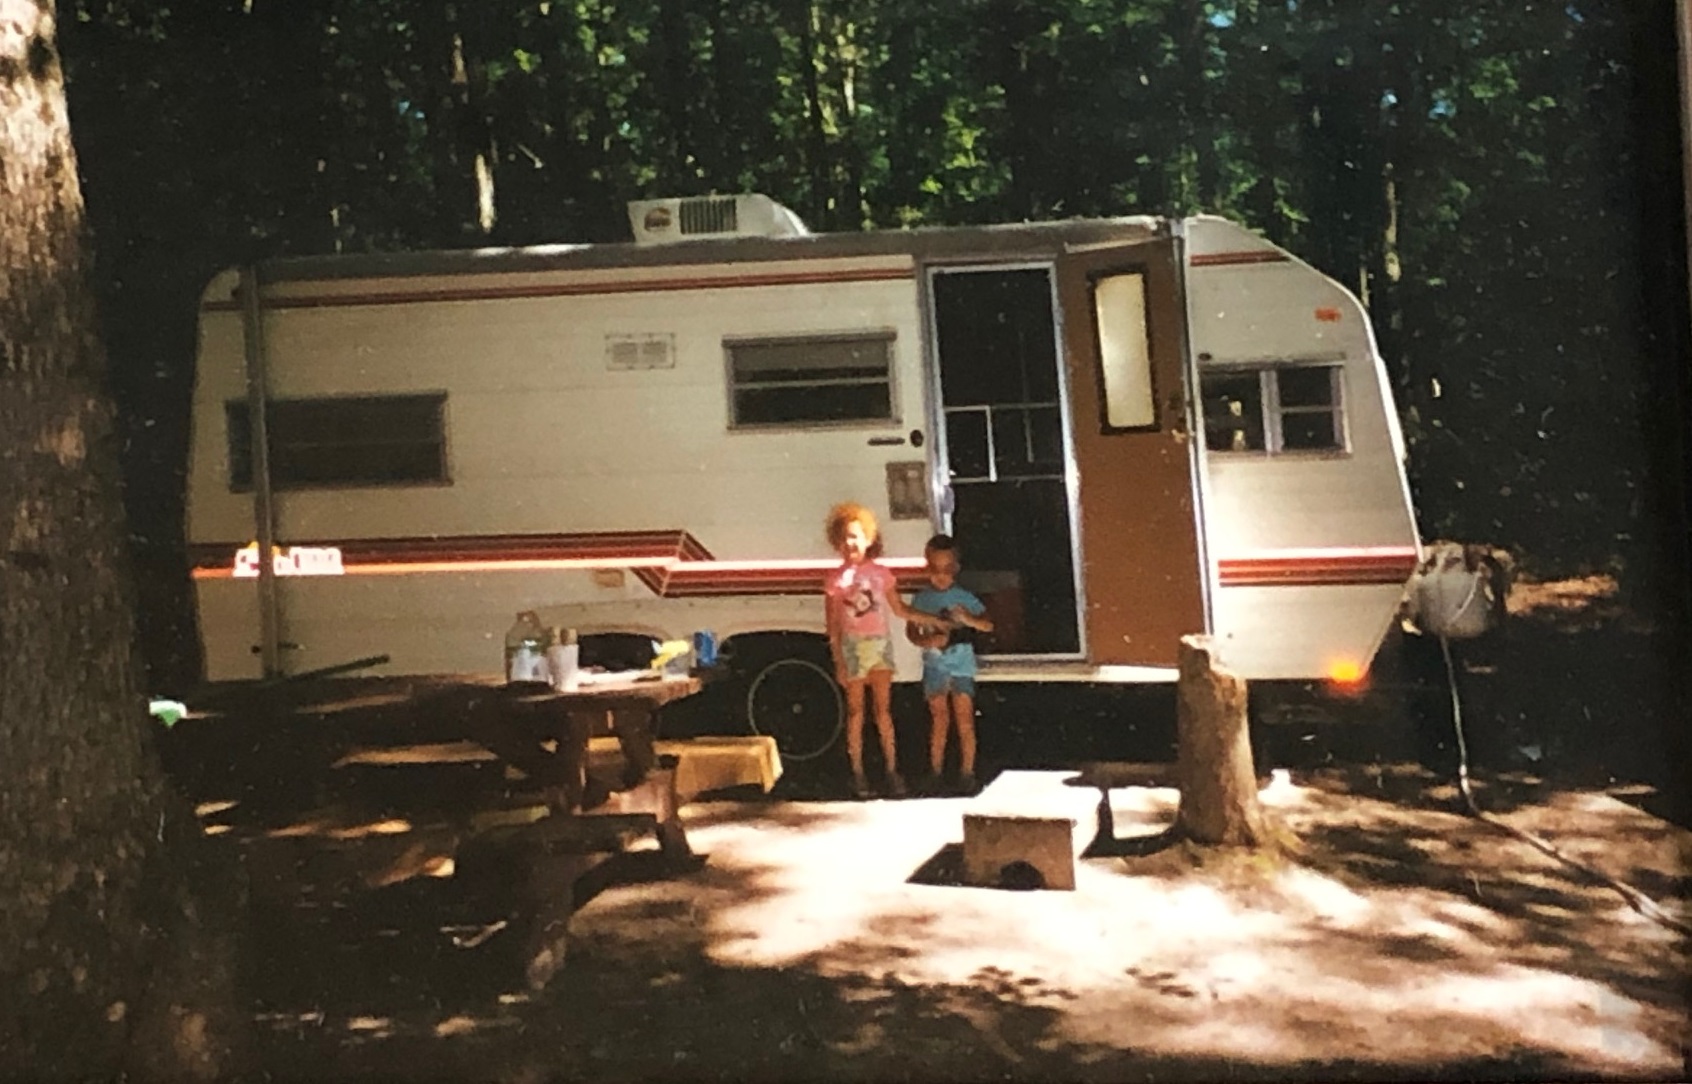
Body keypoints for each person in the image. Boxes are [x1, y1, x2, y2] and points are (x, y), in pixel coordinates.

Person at [823, 502, 943, 799]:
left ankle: (892, 771)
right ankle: (858, 774)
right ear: (838, 542)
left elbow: (900, 609)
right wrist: (838, 661)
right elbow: (834, 627)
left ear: (869, 539)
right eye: (846, 537)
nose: (851, 543)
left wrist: (936, 620)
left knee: (883, 711)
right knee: (855, 712)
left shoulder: (882, 574)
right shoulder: (835, 580)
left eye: (856, 536)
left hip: (880, 646)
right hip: (853, 647)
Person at [906, 534, 993, 795]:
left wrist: (968, 618)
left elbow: (988, 624)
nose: (940, 576)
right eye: (934, 569)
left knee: (964, 720)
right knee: (939, 719)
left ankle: (967, 773)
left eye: (946, 570)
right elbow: (911, 631)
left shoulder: (964, 597)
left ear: (955, 569)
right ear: (927, 568)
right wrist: (926, 640)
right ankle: (935, 773)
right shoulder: (922, 599)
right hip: (935, 667)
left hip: (962, 666)